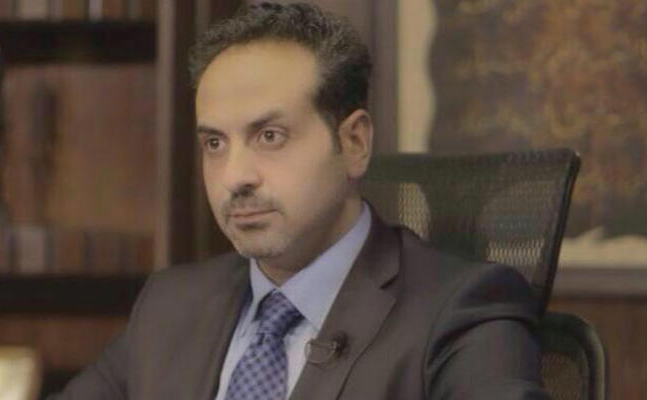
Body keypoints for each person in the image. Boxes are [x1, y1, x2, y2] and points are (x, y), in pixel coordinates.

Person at [52, 3, 549, 399]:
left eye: (270, 136)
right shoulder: (171, 304)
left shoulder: (463, 309)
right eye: (215, 143)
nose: (234, 177)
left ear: (354, 143)